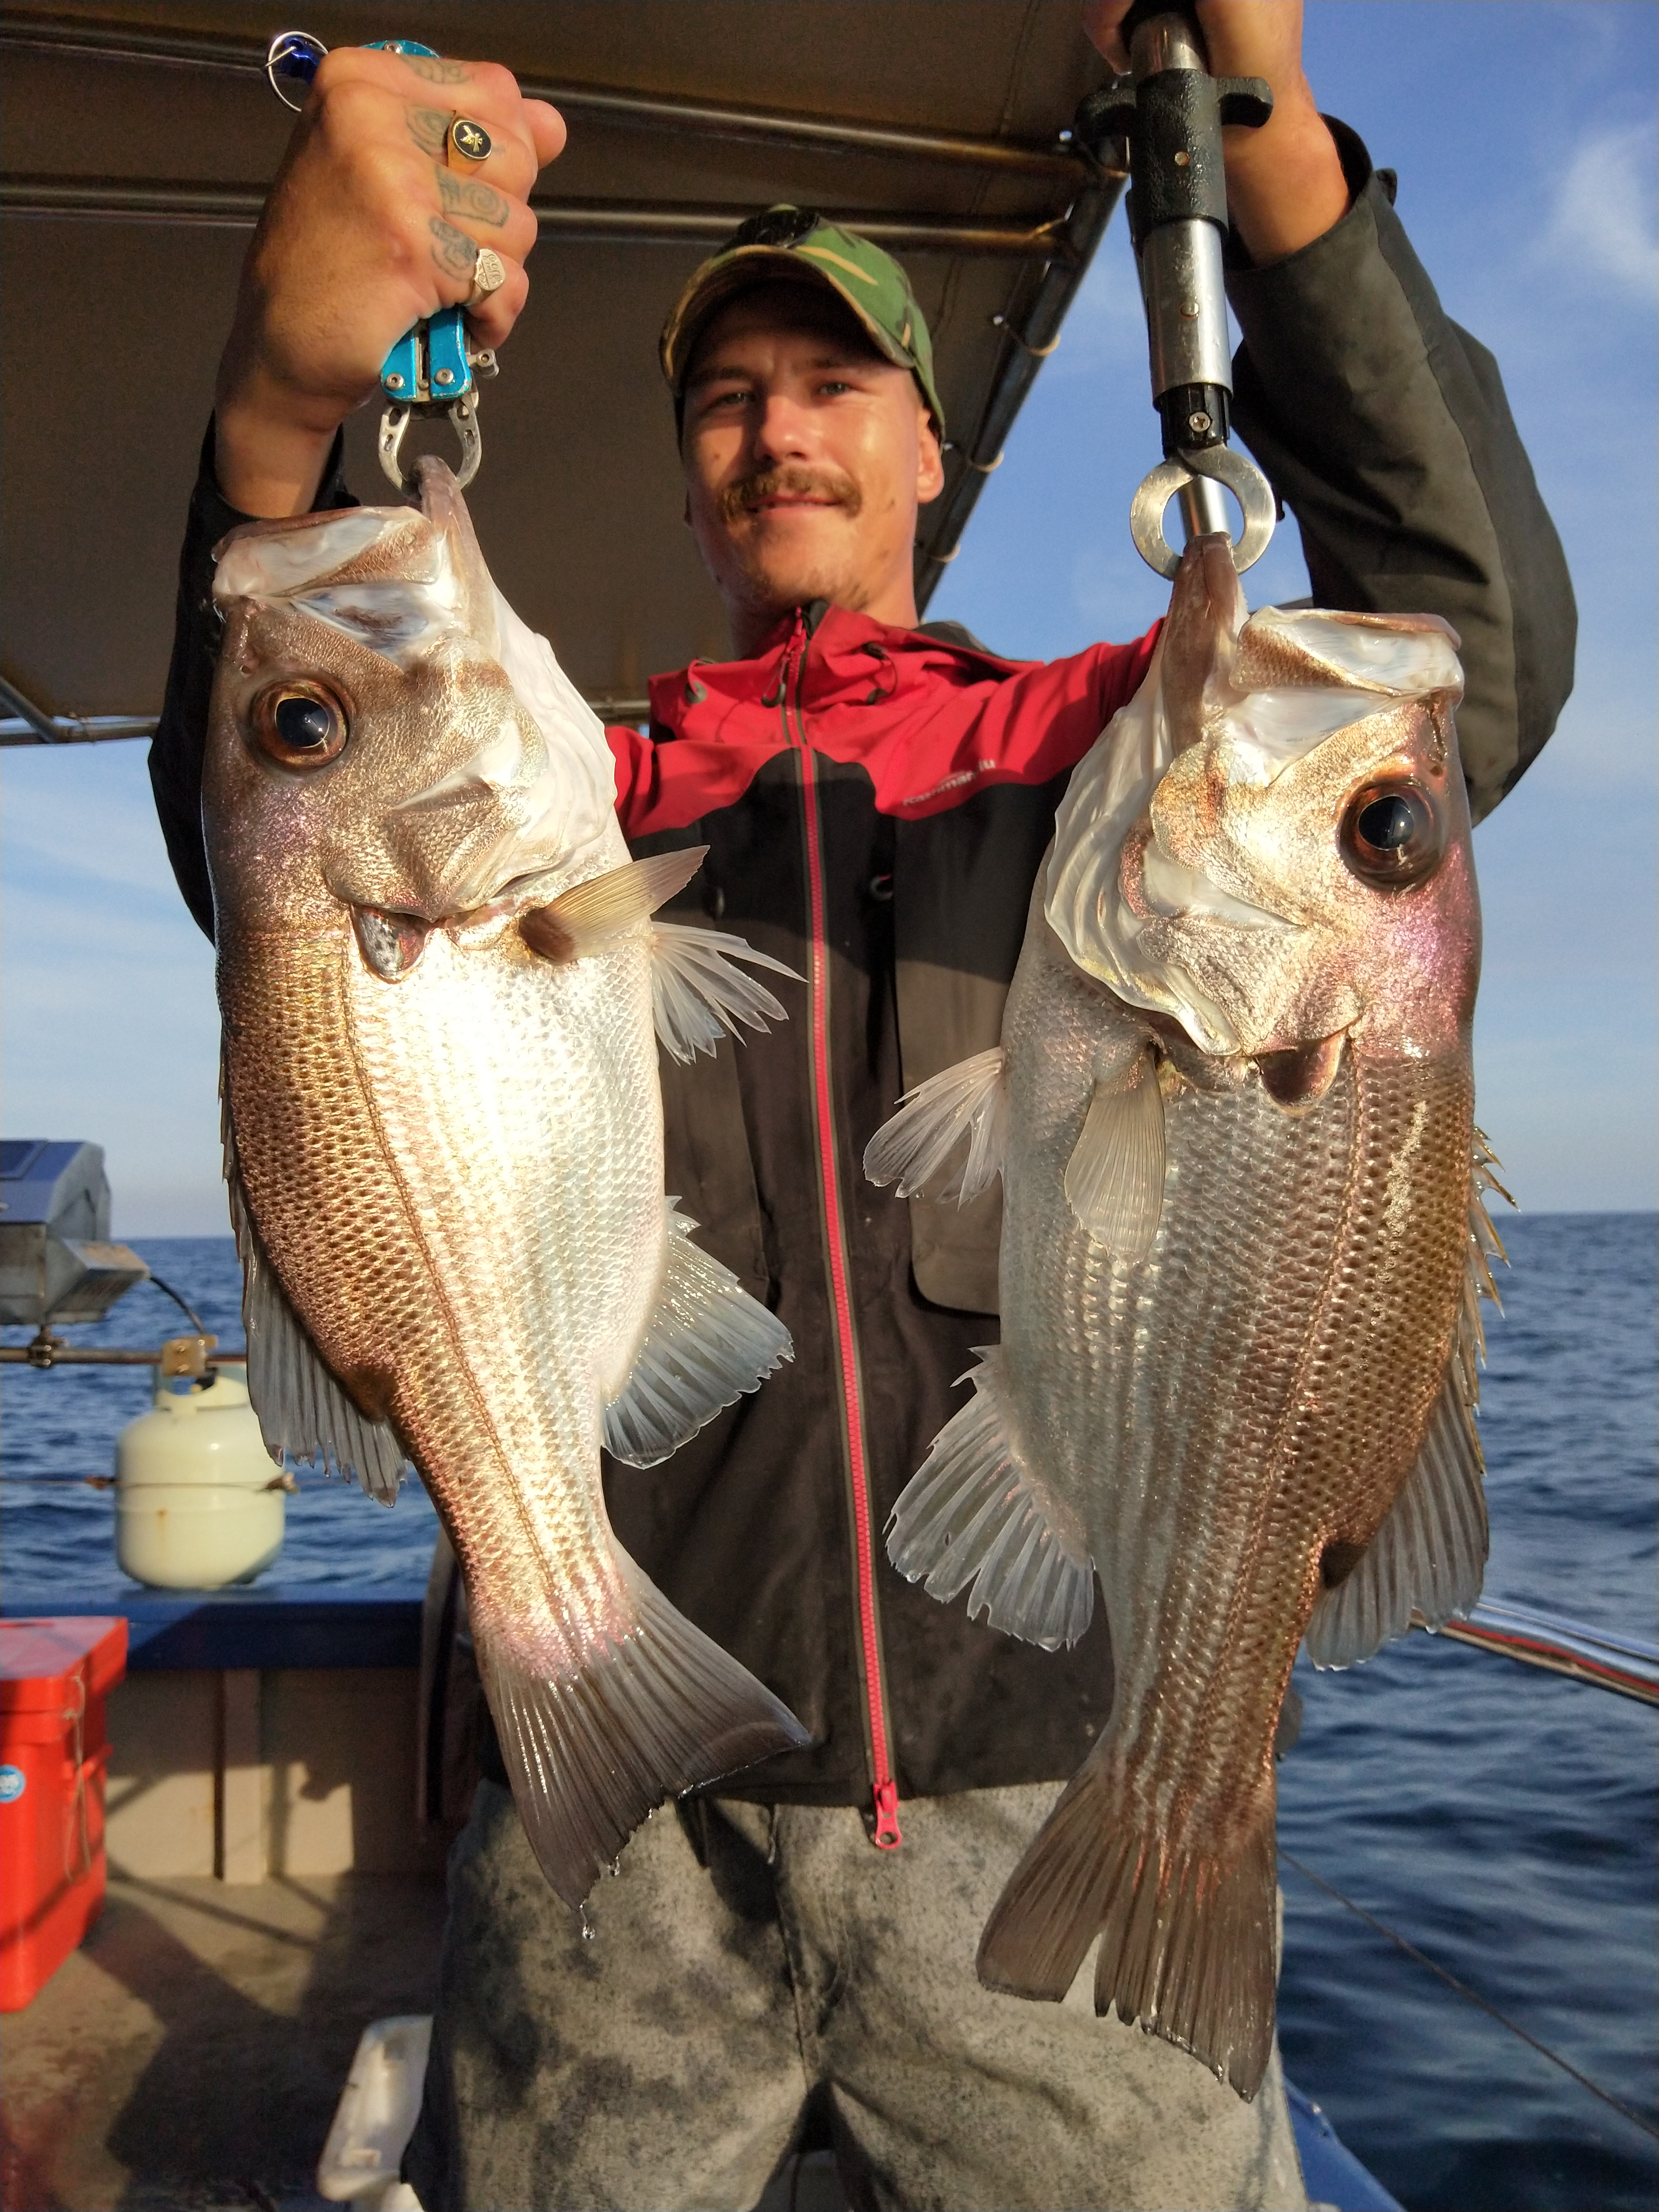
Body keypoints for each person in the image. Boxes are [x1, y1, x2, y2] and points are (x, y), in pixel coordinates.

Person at [149, 6, 1575, 2207]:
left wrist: (1271, 139)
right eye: (727, 396)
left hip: (1048, 1763)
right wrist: (279, 413)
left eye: (830, 382)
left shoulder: (1108, 762)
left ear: (930, 441)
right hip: (617, 1811)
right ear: (687, 470)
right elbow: (280, 853)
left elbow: (1456, 649)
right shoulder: (586, 793)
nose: (777, 428)